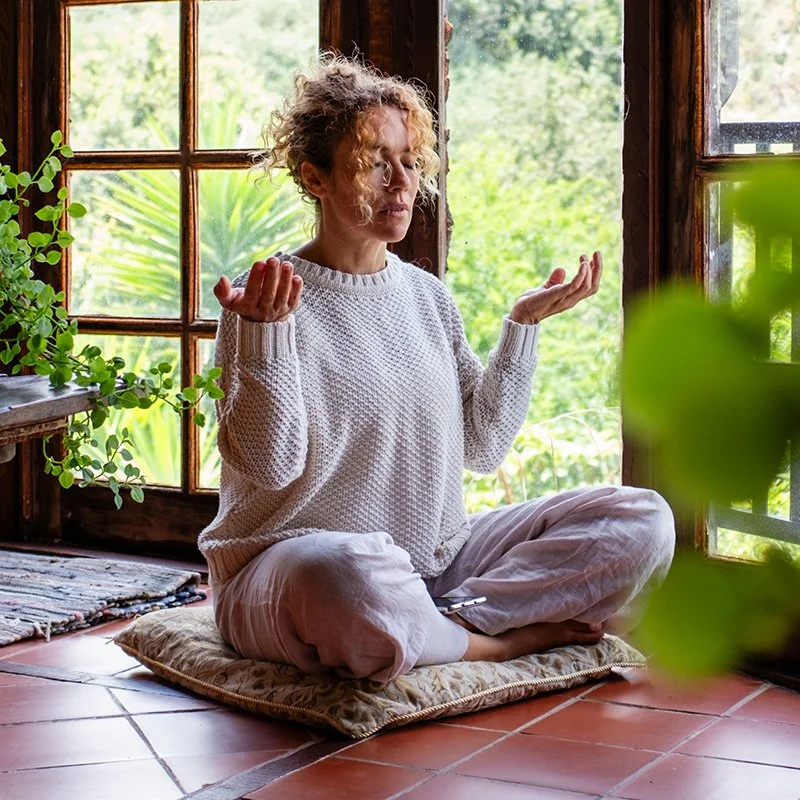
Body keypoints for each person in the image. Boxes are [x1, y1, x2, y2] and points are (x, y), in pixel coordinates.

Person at [199, 54, 675, 685]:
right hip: (291, 569)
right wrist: (262, 338)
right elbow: (270, 465)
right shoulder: (269, 299)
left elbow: (482, 446)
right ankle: (491, 644)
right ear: (315, 177)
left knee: (643, 519)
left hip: (436, 563)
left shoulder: (428, 297)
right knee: (343, 577)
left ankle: (438, 624)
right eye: (375, 162)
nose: (402, 183)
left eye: (409, 161)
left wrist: (522, 328)